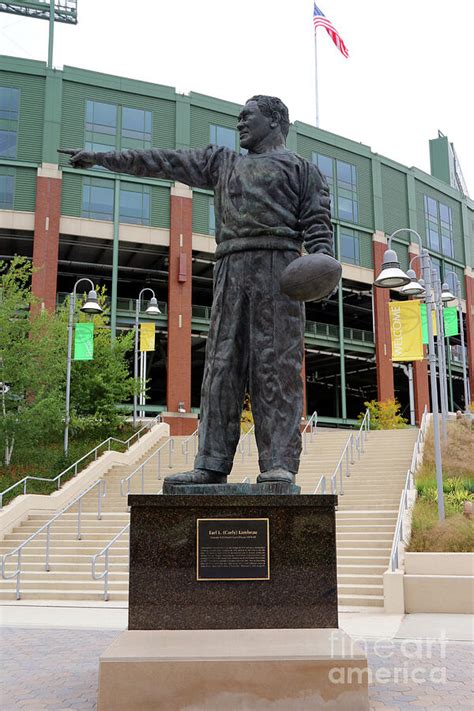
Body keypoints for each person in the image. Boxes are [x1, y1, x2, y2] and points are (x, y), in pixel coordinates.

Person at [63, 95, 334, 486]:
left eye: (248, 117)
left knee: (276, 368)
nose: (240, 123)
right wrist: (103, 156)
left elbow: (318, 226)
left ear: (275, 121)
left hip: (279, 270)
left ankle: (279, 463)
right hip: (230, 268)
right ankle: (211, 461)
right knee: (220, 367)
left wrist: (320, 264)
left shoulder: (303, 170)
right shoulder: (223, 162)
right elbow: (163, 161)